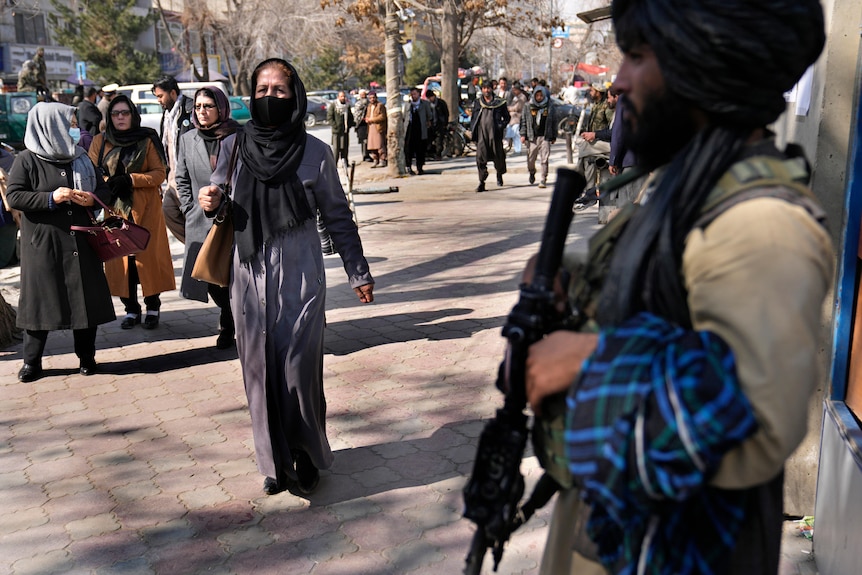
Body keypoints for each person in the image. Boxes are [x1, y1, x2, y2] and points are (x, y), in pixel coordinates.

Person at [526, 1, 831, 574]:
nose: (617, 81)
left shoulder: (762, 222)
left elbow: (758, 417)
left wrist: (592, 359)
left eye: (638, 57)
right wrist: (571, 280)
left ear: (702, 68)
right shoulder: (692, 181)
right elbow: (668, 284)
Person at [197, 58, 375, 497]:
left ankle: (306, 454)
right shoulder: (235, 147)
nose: (270, 97)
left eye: (279, 90)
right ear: (250, 96)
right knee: (257, 372)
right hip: (249, 277)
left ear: (295, 96)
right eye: (262, 90)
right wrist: (211, 202)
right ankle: (274, 462)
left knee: (297, 371)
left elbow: (337, 215)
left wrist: (358, 272)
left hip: (300, 278)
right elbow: (219, 203)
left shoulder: (316, 152)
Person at [5, 102, 115, 382]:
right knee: (40, 305)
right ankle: (32, 362)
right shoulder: (27, 159)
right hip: (44, 244)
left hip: (82, 240)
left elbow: (103, 188)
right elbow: (15, 196)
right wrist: (50, 198)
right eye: (69, 122)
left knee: (84, 303)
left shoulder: (80, 156)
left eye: (74, 122)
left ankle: (87, 358)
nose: (74, 128)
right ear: (49, 125)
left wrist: (93, 198)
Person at [88, 95, 174, 331]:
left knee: (147, 261)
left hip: (146, 209)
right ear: (109, 116)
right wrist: (110, 181)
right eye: (115, 113)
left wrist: (131, 179)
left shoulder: (146, 139)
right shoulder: (100, 141)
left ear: (133, 115)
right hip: (114, 211)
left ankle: (153, 307)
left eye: (125, 113)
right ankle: (131, 310)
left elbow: (159, 173)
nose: (120, 118)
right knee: (122, 261)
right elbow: (91, 173)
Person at [175, 86, 240, 350]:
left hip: (235, 218)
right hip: (200, 219)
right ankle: (228, 313)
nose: (202, 111)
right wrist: (189, 206)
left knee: (235, 273)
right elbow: (181, 178)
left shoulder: (238, 136)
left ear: (221, 109)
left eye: (208, 106)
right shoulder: (187, 139)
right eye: (198, 106)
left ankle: (231, 324)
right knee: (207, 274)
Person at [153, 75, 195, 244]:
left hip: (189, 179)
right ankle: (196, 246)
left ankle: (201, 250)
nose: (159, 101)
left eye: (160, 96)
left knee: (193, 219)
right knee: (168, 212)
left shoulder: (190, 110)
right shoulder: (168, 115)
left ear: (172, 93)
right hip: (172, 179)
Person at [470, 82, 510, 192]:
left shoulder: (499, 102)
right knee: (480, 157)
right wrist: (474, 131)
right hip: (482, 135)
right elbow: (474, 117)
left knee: (498, 156)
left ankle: (499, 174)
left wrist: (501, 126)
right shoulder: (478, 102)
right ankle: (482, 181)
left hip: (495, 135)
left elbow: (507, 117)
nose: (486, 90)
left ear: (491, 89)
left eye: (488, 88)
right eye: (484, 88)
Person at [574, 83, 615, 186]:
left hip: (604, 140)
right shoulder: (596, 105)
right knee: (585, 155)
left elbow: (612, 128)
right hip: (595, 138)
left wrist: (596, 135)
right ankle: (584, 186)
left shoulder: (607, 106)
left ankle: (584, 186)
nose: (590, 93)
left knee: (586, 149)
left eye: (592, 91)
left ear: (598, 92)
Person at [519, 85, 555, 188]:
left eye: (541, 95)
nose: (539, 97)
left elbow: (554, 121)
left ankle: (543, 179)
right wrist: (523, 134)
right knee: (531, 159)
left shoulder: (549, 106)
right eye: (537, 95)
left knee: (544, 159)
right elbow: (523, 121)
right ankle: (532, 171)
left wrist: (553, 136)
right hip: (532, 137)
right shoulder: (528, 106)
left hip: (545, 136)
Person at [402, 87, 433, 175]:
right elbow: (404, 117)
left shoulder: (425, 104)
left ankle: (420, 167)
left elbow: (429, 116)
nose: (413, 96)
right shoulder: (408, 105)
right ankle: (408, 167)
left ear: (419, 94)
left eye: (415, 94)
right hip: (410, 129)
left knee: (420, 150)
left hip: (420, 129)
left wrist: (428, 124)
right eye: (412, 94)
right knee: (408, 150)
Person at [326, 91, 354, 170]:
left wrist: (349, 125)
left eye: (344, 96)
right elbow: (330, 117)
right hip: (336, 132)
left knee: (345, 148)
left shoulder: (347, 106)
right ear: (338, 97)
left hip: (344, 131)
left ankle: (345, 163)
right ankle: (334, 164)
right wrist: (335, 126)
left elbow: (350, 117)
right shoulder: (334, 105)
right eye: (341, 96)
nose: (343, 98)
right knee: (336, 149)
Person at [365, 91, 387, 168]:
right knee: (372, 145)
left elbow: (382, 117)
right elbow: (368, 115)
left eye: (373, 97)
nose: (372, 99)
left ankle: (382, 160)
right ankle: (375, 160)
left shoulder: (380, 105)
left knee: (380, 144)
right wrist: (367, 119)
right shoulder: (369, 106)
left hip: (378, 127)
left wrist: (372, 119)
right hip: (371, 127)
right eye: (370, 98)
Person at [426, 90, 449, 160]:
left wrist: (445, 123)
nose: (430, 99)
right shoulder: (427, 104)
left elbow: (446, 113)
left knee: (439, 141)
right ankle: (430, 154)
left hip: (440, 124)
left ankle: (438, 155)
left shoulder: (441, 103)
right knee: (429, 140)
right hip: (431, 125)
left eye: (431, 97)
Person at [507, 82, 527, 155]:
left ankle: (518, 150)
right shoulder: (516, 97)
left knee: (516, 135)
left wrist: (508, 108)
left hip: (518, 119)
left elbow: (517, 108)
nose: (513, 91)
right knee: (513, 135)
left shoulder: (522, 97)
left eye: (515, 90)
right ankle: (515, 149)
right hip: (512, 119)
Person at [353, 89, 371, 162]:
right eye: (363, 94)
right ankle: (365, 155)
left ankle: (368, 155)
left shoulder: (368, 103)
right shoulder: (359, 103)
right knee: (364, 141)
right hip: (361, 125)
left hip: (368, 124)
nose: (364, 96)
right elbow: (357, 115)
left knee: (368, 141)